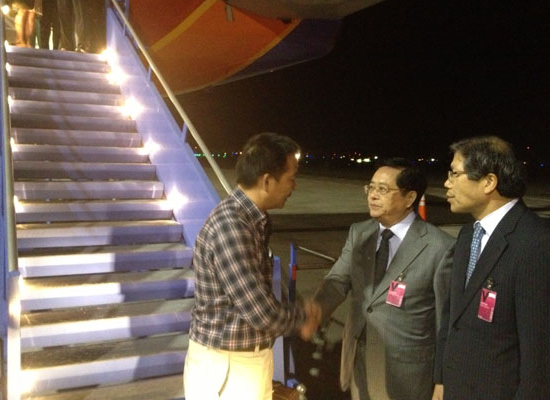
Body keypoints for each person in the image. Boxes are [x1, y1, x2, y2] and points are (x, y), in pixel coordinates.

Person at [183, 132, 320, 400]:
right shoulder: (232, 227)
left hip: (240, 361)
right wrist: (303, 316)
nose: (294, 186)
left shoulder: (251, 221)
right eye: (291, 178)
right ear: (267, 181)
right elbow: (261, 313)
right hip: (229, 366)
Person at [313, 158, 455, 400]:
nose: (372, 195)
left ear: (410, 198)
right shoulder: (359, 233)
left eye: (383, 189)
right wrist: (313, 311)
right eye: (371, 187)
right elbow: (337, 281)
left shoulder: (440, 247)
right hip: (358, 359)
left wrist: (442, 380)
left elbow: (447, 321)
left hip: (407, 375)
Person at [433, 136, 550, 400]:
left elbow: (539, 352)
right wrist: (441, 380)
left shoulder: (535, 242)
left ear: (488, 182)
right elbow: (453, 315)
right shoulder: (467, 235)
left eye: (454, 174)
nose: (446, 183)